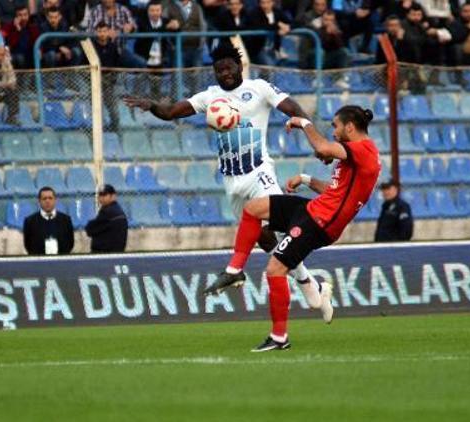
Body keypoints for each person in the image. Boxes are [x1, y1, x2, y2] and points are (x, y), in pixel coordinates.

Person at [123, 40, 329, 318]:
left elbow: (293, 107)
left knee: (276, 227)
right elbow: (172, 112)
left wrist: (315, 138)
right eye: (219, 70)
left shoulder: (259, 89)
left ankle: (260, 275)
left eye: (229, 67)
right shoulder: (210, 96)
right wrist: (151, 106)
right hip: (233, 180)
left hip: (260, 172)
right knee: (264, 238)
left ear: (239, 66)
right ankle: (307, 280)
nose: (225, 73)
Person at [202, 106, 381, 352]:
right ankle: (235, 271)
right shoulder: (356, 156)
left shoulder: (365, 150)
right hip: (312, 210)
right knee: (253, 209)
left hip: (320, 224)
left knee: (275, 269)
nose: (334, 133)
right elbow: (335, 192)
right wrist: (306, 179)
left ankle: (279, 337)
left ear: (350, 126)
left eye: (336, 127)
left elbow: (322, 148)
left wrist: (302, 122)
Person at [23, 186, 75, 255]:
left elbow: (70, 243)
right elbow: (28, 245)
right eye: (44, 199)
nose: (47, 201)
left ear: (55, 200)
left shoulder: (66, 220)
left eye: (50, 198)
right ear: (39, 201)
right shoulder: (30, 221)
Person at [245, 0, 291, 66]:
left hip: (274, 47)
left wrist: (288, 27)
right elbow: (261, 26)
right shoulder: (254, 13)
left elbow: (291, 23)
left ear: (273, 2)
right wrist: (277, 25)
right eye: (263, 3)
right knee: (269, 65)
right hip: (259, 49)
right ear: (259, 4)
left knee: (284, 63)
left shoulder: (277, 12)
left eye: (268, 2)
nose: (265, 6)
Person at [85, 184, 128, 253]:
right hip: (116, 251)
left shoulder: (107, 211)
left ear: (113, 196)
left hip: (105, 252)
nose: (101, 198)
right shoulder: (117, 210)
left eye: (104, 195)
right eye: (100, 195)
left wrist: (90, 224)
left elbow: (90, 229)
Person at [2, 5, 40, 69]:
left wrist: (40, 50)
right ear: (16, 17)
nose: (23, 18)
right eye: (20, 15)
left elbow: (37, 43)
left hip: (30, 55)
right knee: (20, 58)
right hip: (14, 54)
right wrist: (18, 30)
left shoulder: (33, 28)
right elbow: (11, 44)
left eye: (25, 15)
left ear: (28, 15)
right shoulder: (8, 27)